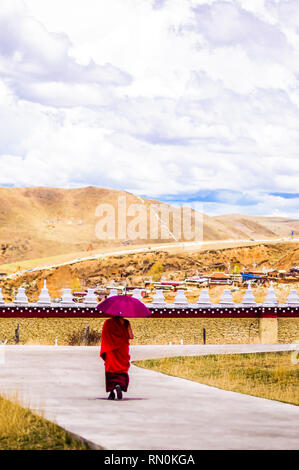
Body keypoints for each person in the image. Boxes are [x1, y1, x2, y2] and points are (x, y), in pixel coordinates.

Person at [100, 316, 134, 400]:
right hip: (122, 349)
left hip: (111, 348)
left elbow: (104, 336)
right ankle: (119, 385)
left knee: (111, 368)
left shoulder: (108, 323)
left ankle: (112, 392)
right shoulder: (126, 322)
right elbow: (131, 336)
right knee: (122, 368)